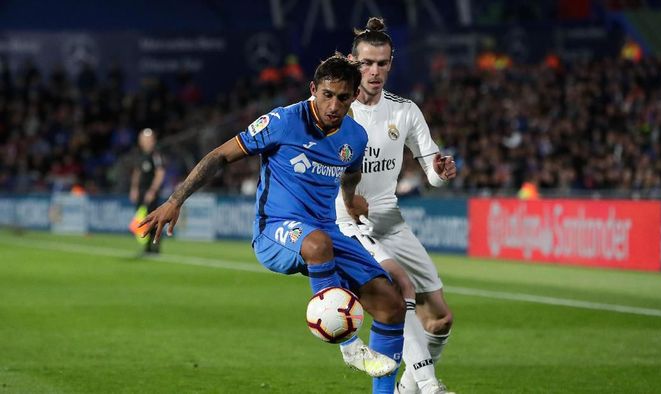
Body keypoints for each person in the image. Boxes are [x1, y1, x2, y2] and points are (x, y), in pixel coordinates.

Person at [138, 54, 406, 394]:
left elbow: (352, 170)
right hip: (274, 230)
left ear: (354, 96)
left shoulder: (355, 136)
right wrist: (175, 200)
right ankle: (350, 347)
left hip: (325, 231)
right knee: (318, 244)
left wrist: (350, 198)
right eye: (327, 94)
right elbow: (219, 155)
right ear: (313, 90)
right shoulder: (281, 121)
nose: (333, 105)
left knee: (391, 305)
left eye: (342, 97)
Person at [334, 18, 457, 394]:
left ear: (391, 63)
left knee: (440, 319)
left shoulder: (404, 111)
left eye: (382, 63)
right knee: (398, 289)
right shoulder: (335, 110)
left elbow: (432, 173)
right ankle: (430, 385)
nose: (375, 71)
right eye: (367, 63)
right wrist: (344, 198)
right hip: (348, 221)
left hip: (390, 220)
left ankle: (408, 388)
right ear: (354, 63)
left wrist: (440, 171)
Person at [129, 128, 165, 254]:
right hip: (141, 191)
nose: (145, 142)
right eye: (143, 139)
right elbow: (137, 172)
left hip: (151, 192)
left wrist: (153, 190)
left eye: (148, 139)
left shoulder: (155, 154)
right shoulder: (140, 155)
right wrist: (134, 189)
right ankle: (147, 246)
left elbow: (160, 173)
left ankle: (155, 246)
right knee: (142, 219)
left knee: (153, 219)